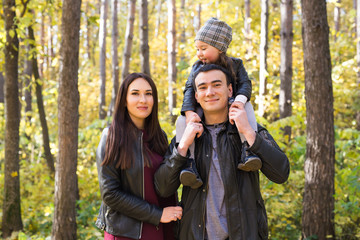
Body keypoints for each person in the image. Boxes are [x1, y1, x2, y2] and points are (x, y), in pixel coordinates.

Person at [155, 64, 290, 240]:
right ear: (196, 96)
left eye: (216, 85)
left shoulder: (249, 130)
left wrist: (249, 132)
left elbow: (281, 173)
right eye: (202, 88)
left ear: (230, 90)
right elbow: (163, 188)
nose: (209, 92)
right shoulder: (186, 135)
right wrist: (182, 147)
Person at [95, 73, 182, 240]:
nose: (143, 100)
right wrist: (157, 214)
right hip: (128, 233)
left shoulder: (159, 136)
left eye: (148, 94)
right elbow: (110, 194)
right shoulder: (111, 136)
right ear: (124, 100)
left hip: (163, 228)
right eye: (135, 93)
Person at [177, 17, 261, 189]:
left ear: (219, 47)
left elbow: (246, 83)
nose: (199, 53)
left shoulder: (235, 64)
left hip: (232, 104)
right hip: (204, 107)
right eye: (197, 49)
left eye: (203, 48)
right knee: (182, 123)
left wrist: (239, 101)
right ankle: (189, 163)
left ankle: (248, 151)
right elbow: (189, 89)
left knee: (247, 109)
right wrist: (188, 111)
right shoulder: (196, 67)